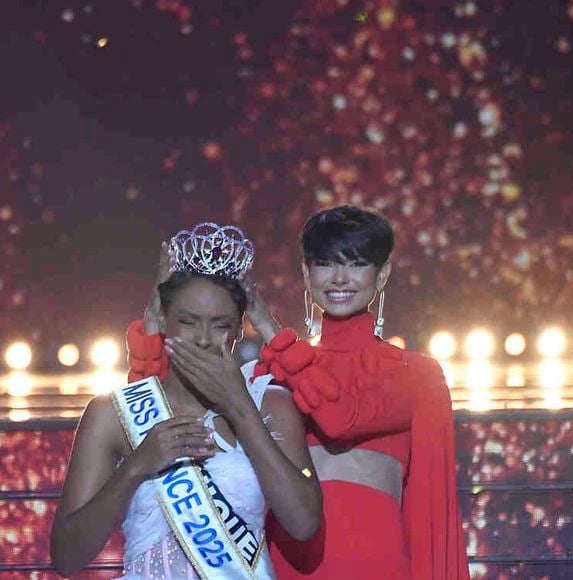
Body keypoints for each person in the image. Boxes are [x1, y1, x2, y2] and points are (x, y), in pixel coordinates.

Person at [126, 208, 470, 579]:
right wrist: (153, 320)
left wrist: (270, 329)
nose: (340, 278)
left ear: (382, 274)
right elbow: (155, 414)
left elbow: (339, 418)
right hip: (286, 563)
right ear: (307, 273)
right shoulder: (270, 370)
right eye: (325, 264)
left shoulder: (413, 374)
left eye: (355, 264)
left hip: (376, 566)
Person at [51, 223, 321, 580]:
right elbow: (67, 557)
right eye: (189, 322)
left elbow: (304, 524)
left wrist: (240, 410)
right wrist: (136, 467)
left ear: (239, 329)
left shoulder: (269, 404)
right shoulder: (113, 413)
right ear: (162, 319)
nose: (204, 340)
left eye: (220, 324)